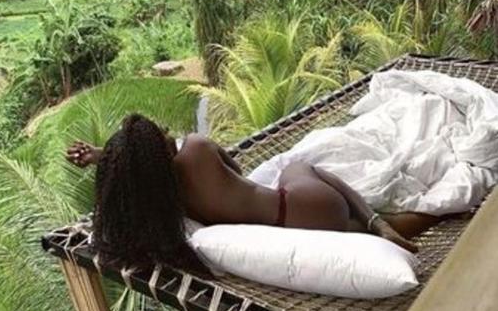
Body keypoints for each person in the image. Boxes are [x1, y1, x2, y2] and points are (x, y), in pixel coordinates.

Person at [66, 114, 437, 275]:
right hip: (303, 204)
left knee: (356, 226)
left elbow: (134, 169)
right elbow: (236, 168)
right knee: (300, 165)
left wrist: (102, 156)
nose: (167, 133)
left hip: (292, 225)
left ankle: (399, 223)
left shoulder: (165, 202)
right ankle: (375, 220)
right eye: (161, 132)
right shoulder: (196, 148)